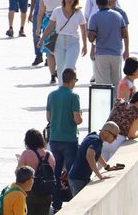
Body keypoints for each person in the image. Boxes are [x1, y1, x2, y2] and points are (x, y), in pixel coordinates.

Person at [46, 67, 82, 197]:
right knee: (71, 171)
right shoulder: (74, 96)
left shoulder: (52, 95)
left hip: (54, 138)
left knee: (56, 172)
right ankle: (73, 198)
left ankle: (56, 201)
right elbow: (77, 120)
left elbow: (48, 118)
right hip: (69, 139)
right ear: (72, 80)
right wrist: (81, 116)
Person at [66, 122, 121, 197]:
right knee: (82, 203)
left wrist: (107, 167)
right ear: (106, 132)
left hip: (76, 176)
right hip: (78, 179)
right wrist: (99, 176)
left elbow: (96, 155)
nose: (115, 139)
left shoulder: (93, 136)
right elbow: (90, 156)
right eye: (114, 136)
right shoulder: (97, 142)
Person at [87, 0, 129, 87]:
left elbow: (91, 38)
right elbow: (124, 33)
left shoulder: (95, 17)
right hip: (116, 53)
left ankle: (106, 102)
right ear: (107, 2)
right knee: (116, 82)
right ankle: (114, 101)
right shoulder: (118, 15)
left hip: (102, 53)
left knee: (103, 83)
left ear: (97, 3)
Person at [41, 0, 87, 74]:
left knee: (69, 67)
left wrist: (85, 45)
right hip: (59, 42)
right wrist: (41, 40)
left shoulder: (78, 13)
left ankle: (70, 84)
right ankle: (62, 86)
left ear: (75, 0)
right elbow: (50, 26)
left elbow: (83, 30)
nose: (69, 0)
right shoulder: (57, 11)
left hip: (73, 42)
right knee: (60, 68)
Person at [16, 129, 55, 215]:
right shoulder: (49, 155)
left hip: (30, 192)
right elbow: (52, 172)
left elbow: (18, 172)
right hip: (46, 192)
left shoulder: (26, 154)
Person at [35, 0, 64, 76]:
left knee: (49, 51)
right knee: (60, 49)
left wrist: (38, 27)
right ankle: (59, 71)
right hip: (61, 23)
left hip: (48, 23)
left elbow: (40, 13)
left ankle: (52, 74)